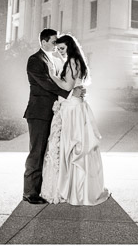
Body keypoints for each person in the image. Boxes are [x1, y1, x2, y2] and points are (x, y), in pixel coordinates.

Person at [39, 34, 110, 205]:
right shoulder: (77, 60)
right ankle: (80, 188)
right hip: (75, 105)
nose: (61, 52)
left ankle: (73, 190)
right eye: (59, 49)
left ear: (70, 47)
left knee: (71, 146)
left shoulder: (72, 61)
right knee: (76, 147)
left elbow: (66, 86)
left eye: (63, 48)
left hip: (72, 108)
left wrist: (51, 76)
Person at [23, 29, 85, 205]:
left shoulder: (54, 59)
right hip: (39, 113)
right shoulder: (35, 60)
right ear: (43, 42)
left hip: (54, 111)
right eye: (53, 41)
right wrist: (70, 93)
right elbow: (46, 84)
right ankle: (29, 192)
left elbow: (62, 80)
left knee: (49, 151)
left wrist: (72, 90)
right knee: (37, 152)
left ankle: (43, 189)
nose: (56, 45)